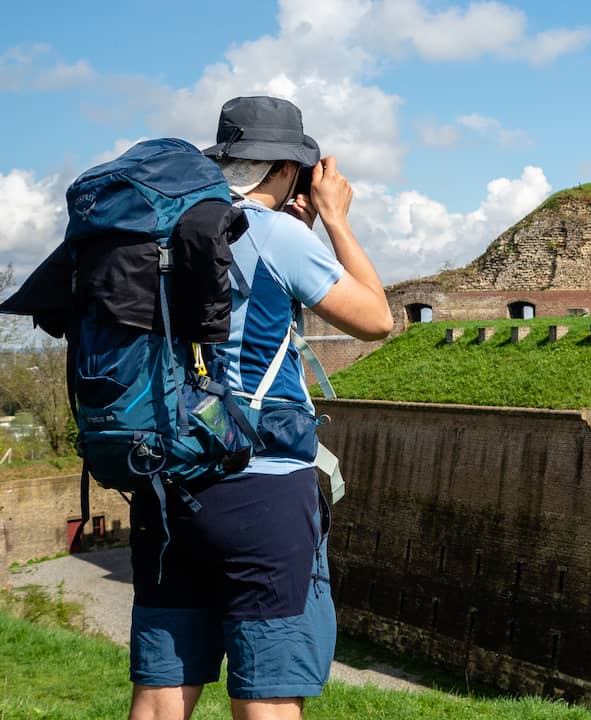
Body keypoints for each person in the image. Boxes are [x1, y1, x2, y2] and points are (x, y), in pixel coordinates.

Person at [127, 96, 392, 720]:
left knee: (161, 697)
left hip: (164, 483)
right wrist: (334, 220)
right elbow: (377, 319)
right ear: (286, 170)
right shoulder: (273, 234)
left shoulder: (154, 231)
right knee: (267, 697)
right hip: (261, 491)